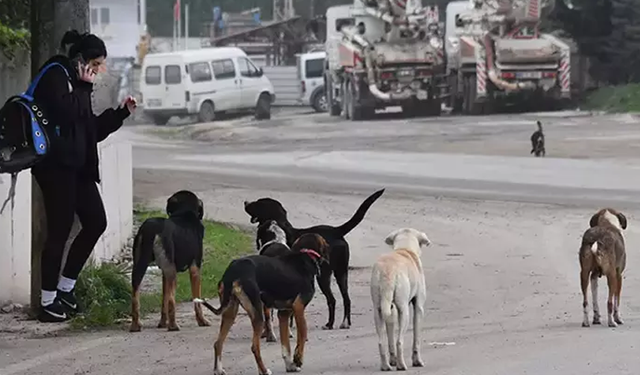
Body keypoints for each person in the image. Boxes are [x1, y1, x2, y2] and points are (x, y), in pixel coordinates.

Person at [32, 30, 137, 322]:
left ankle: (66, 288)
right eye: (96, 64)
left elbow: (88, 129)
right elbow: (65, 115)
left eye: (101, 65)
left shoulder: (78, 84)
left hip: (78, 168)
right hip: (56, 168)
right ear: (81, 60)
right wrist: (83, 87)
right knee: (59, 231)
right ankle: (47, 301)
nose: (98, 71)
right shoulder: (56, 74)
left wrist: (121, 114)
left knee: (96, 222)